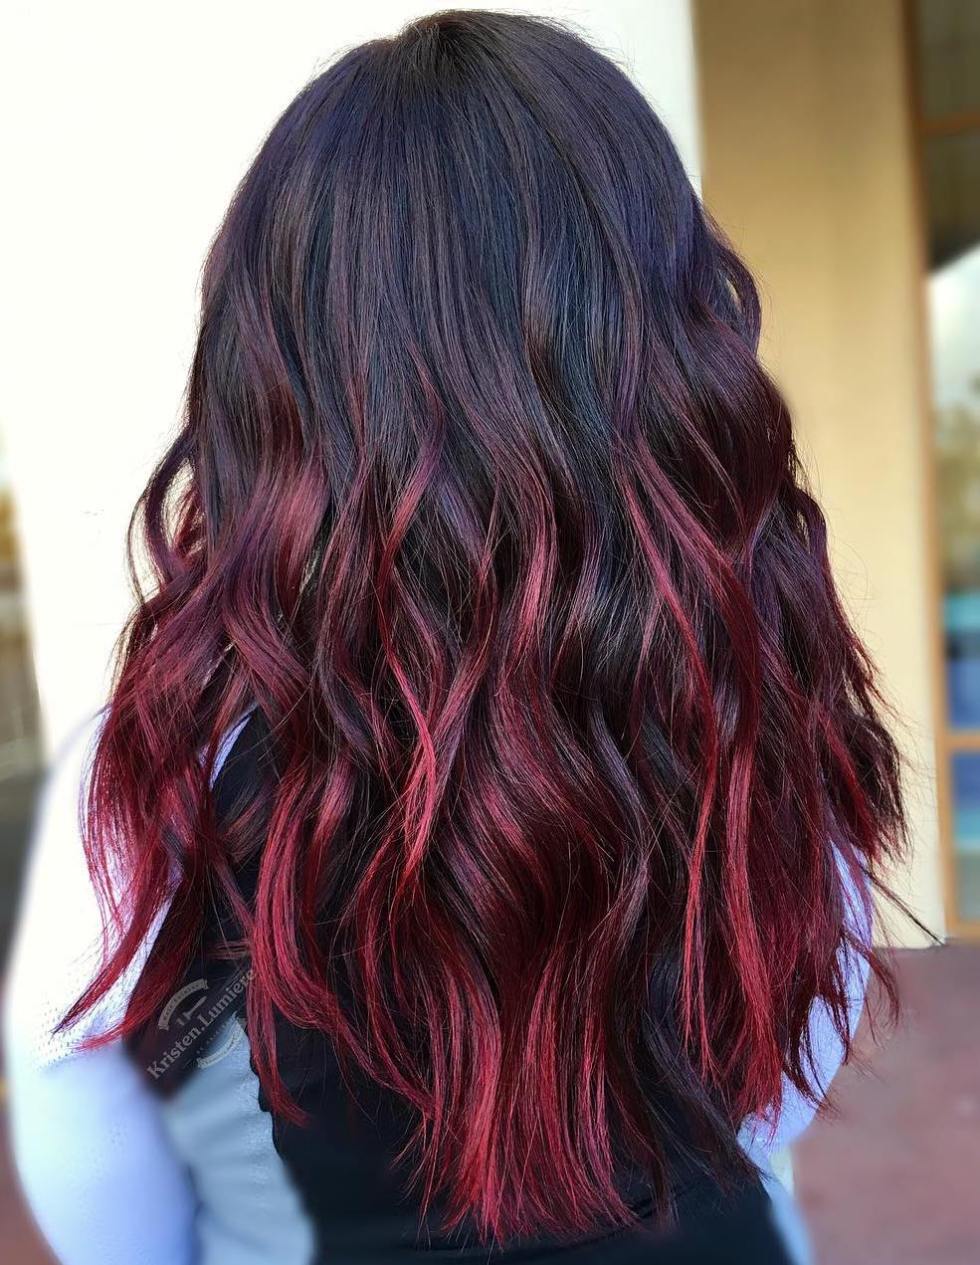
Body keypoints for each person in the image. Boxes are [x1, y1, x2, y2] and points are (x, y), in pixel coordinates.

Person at [4, 11, 904, 1264]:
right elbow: (783, 1065)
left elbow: (76, 1080)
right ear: (663, 338)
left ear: (273, 370)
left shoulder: (178, 747)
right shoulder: (754, 682)